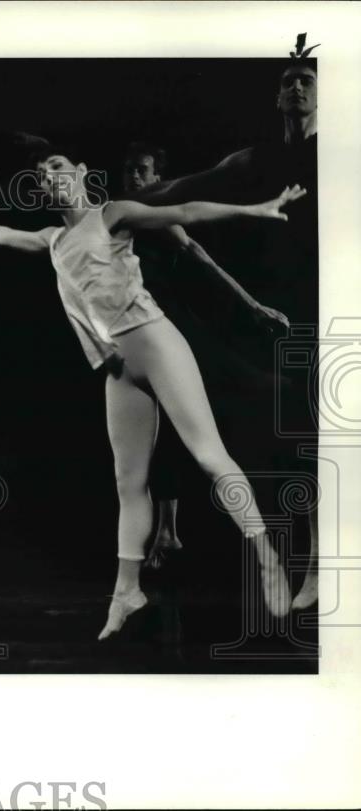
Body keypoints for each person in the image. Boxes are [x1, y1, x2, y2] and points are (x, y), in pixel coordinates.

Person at [0, 144, 301, 640]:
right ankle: (127, 590)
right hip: (116, 367)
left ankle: (265, 555)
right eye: (42, 175)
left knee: (210, 456)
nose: (50, 177)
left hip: (154, 341)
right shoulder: (55, 239)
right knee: (129, 482)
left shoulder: (111, 215)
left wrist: (252, 209)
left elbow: (184, 212)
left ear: (82, 173)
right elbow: (7, 236)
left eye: (58, 166)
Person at [128, 60, 319, 609]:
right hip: (291, 308)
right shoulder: (256, 159)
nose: (297, 85)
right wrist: (109, 208)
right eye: (288, 79)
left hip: (337, 299)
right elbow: (185, 189)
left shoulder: (340, 151)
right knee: (304, 437)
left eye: (308, 78)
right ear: (277, 95)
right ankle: (315, 567)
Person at [119, 142, 289, 569]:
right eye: (129, 172)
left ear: (160, 177)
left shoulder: (154, 218)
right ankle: (167, 530)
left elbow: (199, 256)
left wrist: (253, 306)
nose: (135, 180)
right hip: (133, 335)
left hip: (171, 328)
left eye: (143, 171)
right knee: (157, 430)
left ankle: (233, 531)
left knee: (202, 421)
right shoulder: (120, 216)